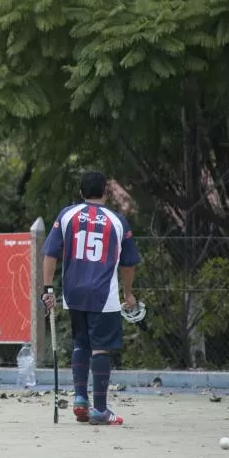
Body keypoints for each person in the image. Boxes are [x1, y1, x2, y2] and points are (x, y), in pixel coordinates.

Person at [41, 170, 141, 426]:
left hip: (73, 291)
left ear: (81, 192)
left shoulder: (67, 215)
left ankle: (80, 399)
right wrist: (128, 293)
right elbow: (128, 264)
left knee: (80, 342)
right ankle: (99, 410)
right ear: (106, 192)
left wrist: (47, 289)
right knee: (100, 347)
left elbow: (50, 254)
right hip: (102, 293)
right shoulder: (118, 221)